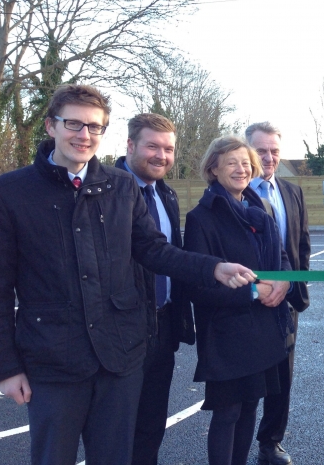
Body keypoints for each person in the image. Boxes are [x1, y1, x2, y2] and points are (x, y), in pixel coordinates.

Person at [0, 85, 256, 465]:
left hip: (119, 359)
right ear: (51, 126)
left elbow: (153, 250)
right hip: (52, 360)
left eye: (94, 127)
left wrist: (212, 267)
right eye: (74, 124)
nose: (84, 135)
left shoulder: (121, 186)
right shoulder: (7, 193)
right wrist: (5, 366)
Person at [180, 136, 293, 465]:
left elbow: (282, 259)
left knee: (249, 408)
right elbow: (197, 284)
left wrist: (282, 283)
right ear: (213, 168)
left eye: (246, 163)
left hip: (263, 327)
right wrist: (255, 291)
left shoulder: (261, 211)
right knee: (228, 412)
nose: (241, 169)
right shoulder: (202, 217)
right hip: (226, 332)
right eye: (231, 163)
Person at [115, 113, 195, 465]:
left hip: (162, 327)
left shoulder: (166, 193)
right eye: (152, 146)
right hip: (120, 331)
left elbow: (170, 257)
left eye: (168, 149)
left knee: (151, 425)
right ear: (130, 145)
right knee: (115, 430)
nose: (161, 155)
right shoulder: (107, 190)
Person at [245, 121, 312, 465]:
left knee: (283, 375)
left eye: (273, 150)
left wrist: (295, 286)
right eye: (261, 150)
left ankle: (271, 441)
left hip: (287, 302)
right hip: (248, 301)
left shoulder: (292, 190)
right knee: (247, 376)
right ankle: (236, 442)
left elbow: (301, 244)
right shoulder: (236, 192)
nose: (268, 157)